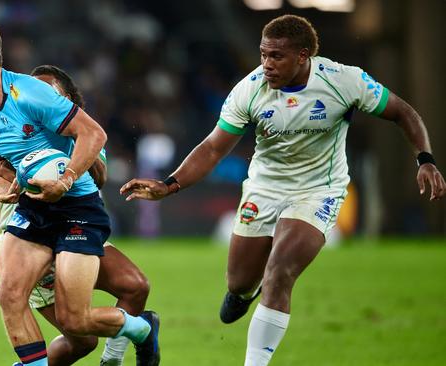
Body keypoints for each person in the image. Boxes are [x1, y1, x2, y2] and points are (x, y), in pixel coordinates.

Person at [120, 14, 444, 366]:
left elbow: (403, 112)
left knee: (280, 271)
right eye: (263, 54)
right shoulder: (250, 89)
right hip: (264, 189)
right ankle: (244, 291)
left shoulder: (343, 81)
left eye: (277, 56)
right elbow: (214, 148)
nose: (267, 64)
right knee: (239, 282)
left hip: (319, 191)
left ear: (303, 56)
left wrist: (424, 158)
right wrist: (169, 185)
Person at [0, 20, 160, 366]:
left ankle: (142, 331)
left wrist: (67, 176)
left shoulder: (32, 93)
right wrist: (0, 180)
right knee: (9, 294)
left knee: (78, 323)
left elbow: (96, 136)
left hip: (76, 208)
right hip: (32, 210)